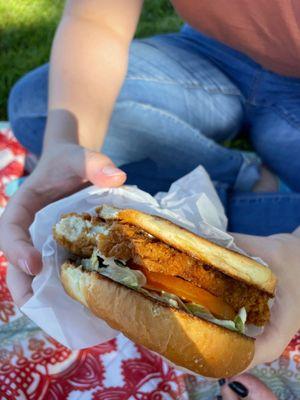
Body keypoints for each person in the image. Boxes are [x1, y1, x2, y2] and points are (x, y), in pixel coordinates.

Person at [1, 1, 300, 398]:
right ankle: (248, 182)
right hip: (213, 54)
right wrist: (64, 147)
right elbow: (96, 17)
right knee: (38, 105)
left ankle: (252, 210)